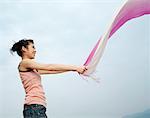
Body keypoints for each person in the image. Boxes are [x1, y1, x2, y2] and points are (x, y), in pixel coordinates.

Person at [10, 39, 87, 118]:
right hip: (34, 107)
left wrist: (74, 70)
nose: (35, 50)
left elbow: (52, 70)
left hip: (36, 107)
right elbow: (49, 66)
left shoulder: (32, 69)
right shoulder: (25, 62)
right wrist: (76, 67)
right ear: (24, 49)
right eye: (32, 47)